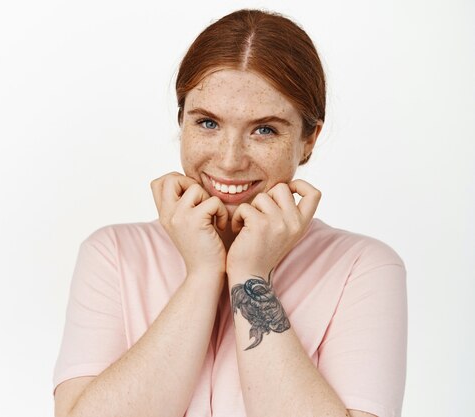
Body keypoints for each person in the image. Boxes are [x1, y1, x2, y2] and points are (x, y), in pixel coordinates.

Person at [52, 9, 407, 417]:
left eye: (265, 129)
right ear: (181, 120)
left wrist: (250, 275)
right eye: (207, 123)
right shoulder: (113, 253)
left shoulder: (362, 268)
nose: (230, 159)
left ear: (309, 140)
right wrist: (203, 274)